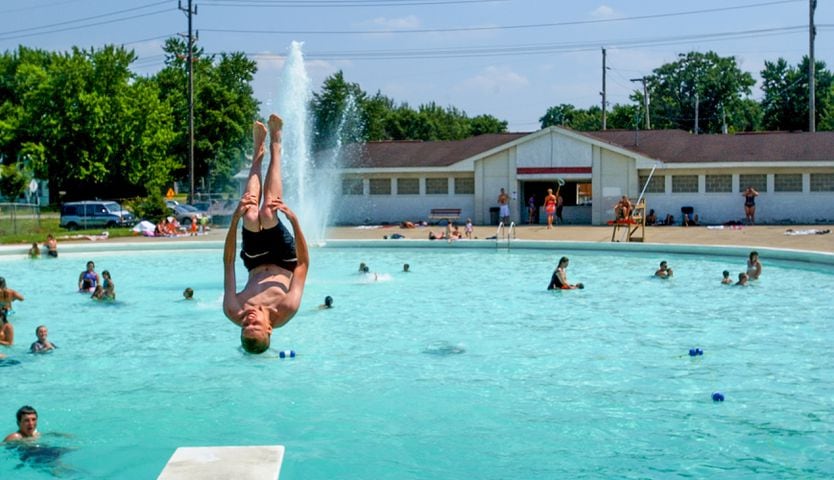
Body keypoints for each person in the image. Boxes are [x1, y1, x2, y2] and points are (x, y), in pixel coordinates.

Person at [223, 114, 310, 355]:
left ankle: (257, 150)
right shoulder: (287, 307)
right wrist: (295, 223)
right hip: (285, 259)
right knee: (269, 211)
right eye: (255, 325)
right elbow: (303, 264)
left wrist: (234, 220)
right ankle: (276, 143)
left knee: (250, 214)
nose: (249, 320)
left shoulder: (233, 309)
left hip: (255, 260)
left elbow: (228, 262)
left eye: (245, 326)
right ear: (269, 329)